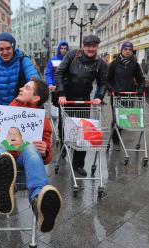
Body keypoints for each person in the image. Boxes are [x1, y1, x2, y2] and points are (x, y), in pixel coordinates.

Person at [0, 77, 62, 233]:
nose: (21, 89)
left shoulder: (42, 121)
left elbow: (47, 157)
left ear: (36, 98)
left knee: (31, 149)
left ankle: (38, 201)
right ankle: (1, 190)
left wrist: (44, 149)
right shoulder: (2, 112)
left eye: (26, 88)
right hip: (2, 158)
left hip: (25, 161)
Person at [55, 35, 107, 177]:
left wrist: (98, 97)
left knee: (83, 131)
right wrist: (61, 93)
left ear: (97, 47)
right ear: (83, 46)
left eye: (94, 46)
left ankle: (78, 164)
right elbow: (59, 73)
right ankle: (64, 147)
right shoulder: (72, 56)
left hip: (84, 100)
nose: (91, 49)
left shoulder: (100, 63)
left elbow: (103, 83)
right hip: (67, 98)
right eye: (88, 46)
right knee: (64, 128)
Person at [0, 32, 39, 111]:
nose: (5, 52)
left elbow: (34, 79)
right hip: (0, 110)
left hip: (21, 108)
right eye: (1, 49)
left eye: (8, 48)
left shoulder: (24, 61)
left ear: (13, 47)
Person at [107, 41, 145, 149]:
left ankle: (118, 133)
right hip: (116, 96)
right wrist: (111, 89)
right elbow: (107, 79)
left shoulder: (135, 64)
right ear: (121, 50)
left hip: (129, 96)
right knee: (116, 118)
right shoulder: (114, 64)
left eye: (130, 50)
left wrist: (140, 89)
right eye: (125, 49)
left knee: (124, 118)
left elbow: (141, 79)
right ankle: (115, 140)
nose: (128, 51)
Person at [44, 41, 69, 107]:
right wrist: (50, 84)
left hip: (67, 89)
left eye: (65, 48)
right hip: (55, 89)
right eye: (61, 48)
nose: (63, 50)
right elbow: (48, 73)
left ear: (67, 49)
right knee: (56, 108)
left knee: (66, 110)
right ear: (59, 49)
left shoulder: (70, 60)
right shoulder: (53, 60)